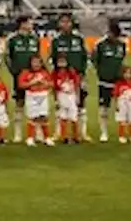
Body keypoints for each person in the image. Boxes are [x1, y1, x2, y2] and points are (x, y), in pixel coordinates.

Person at [50, 13, 90, 141]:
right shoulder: (55, 40)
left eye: (68, 22)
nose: (65, 24)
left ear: (72, 23)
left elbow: (86, 57)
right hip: (62, 79)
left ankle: (82, 133)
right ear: (59, 24)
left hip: (78, 77)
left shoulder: (79, 39)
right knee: (60, 105)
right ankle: (59, 133)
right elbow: (52, 59)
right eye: (63, 22)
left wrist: (82, 73)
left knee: (81, 104)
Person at [5, 17, 41, 143]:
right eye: (29, 22)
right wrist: (15, 72)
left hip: (34, 76)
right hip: (19, 76)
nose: (31, 25)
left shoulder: (34, 38)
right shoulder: (12, 39)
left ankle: (37, 132)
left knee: (36, 104)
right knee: (19, 103)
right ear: (22, 24)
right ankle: (18, 133)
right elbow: (7, 56)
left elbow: (38, 56)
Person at [92, 25, 127, 142]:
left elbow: (122, 60)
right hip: (104, 81)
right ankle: (104, 132)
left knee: (121, 107)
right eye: (110, 33)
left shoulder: (122, 45)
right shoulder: (100, 44)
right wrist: (101, 72)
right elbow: (94, 60)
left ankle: (123, 133)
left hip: (119, 82)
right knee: (104, 108)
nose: (111, 36)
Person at [18, 55, 54, 147]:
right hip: (31, 96)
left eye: (38, 62)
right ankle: (30, 138)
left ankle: (46, 138)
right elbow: (21, 85)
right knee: (32, 117)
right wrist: (32, 83)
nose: (36, 64)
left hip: (42, 96)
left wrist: (43, 83)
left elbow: (51, 84)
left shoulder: (45, 73)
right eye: (34, 62)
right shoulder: (25, 72)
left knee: (43, 116)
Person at [53, 54, 81, 144]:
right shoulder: (55, 73)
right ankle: (64, 136)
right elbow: (54, 88)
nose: (61, 64)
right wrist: (56, 100)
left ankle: (76, 136)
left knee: (73, 117)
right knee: (62, 116)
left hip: (71, 95)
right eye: (59, 62)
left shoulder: (71, 71)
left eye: (63, 61)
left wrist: (77, 96)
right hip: (61, 95)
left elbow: (76, 84)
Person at [113, 65, 131, 144]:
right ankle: (121, 136)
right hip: (121, 104)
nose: (127, 75)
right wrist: (116, 104)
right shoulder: (119, 84)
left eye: (129, 73)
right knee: (122, 120)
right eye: (125, 73)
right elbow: (115, 94)